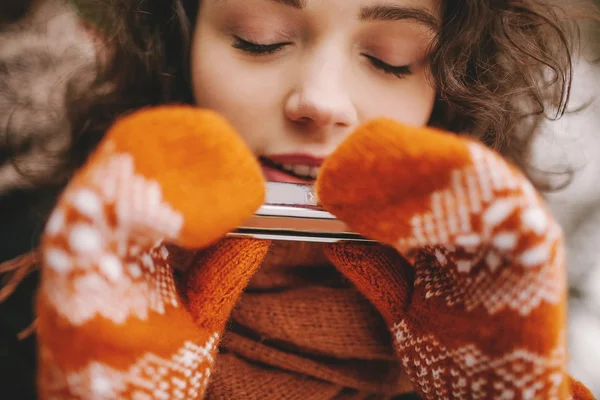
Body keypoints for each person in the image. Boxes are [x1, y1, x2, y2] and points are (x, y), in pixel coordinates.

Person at [1, 0, 598, 398]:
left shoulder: (497, 301)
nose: (320, 99)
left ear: (455, 82)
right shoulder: (60, 255)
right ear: (180, 42)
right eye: (259, 42)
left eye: (390, 59)